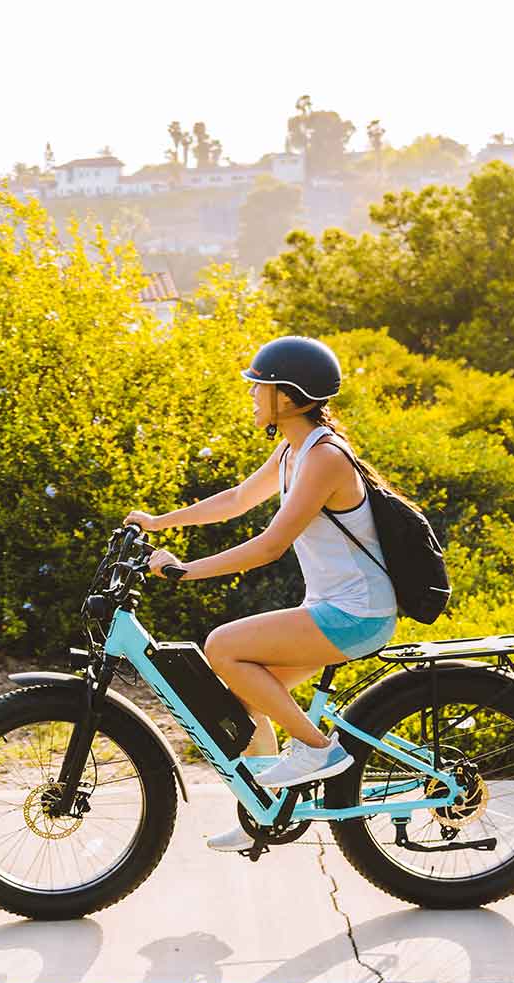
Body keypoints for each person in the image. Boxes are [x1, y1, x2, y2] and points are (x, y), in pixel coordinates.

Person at [123, 336, 400, 853]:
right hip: (332, 609)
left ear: (290, 398)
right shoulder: (294, 450)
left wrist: (185, 571)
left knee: (222, 646)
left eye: (260, 388)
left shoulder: (325, 459)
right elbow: (236, 500)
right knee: (241, 698)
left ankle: (318, 748)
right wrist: (161, 521)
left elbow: (271, 546)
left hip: (358, 615)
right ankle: (260, 812)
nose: (252, 396)